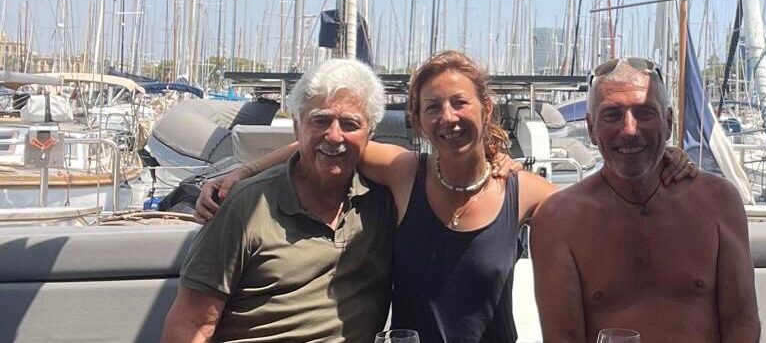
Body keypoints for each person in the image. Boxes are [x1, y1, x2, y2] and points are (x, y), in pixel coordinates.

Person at [195, 51, 697, 343]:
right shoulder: (403, 173)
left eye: (460, 102)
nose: (448, 117)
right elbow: (330, 139)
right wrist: (245, 169)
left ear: (485, 108)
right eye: (432, 107)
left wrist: (660, 159)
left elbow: (602, 201)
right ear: (416, 118)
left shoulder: (520, 190)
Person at [161, 58, 396, 342]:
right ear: (297, 127)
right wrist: (248, 172)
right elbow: (192, 323)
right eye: (320, 120)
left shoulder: (384, 202)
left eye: (350, 124)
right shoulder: (246, 206)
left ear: (370, 135)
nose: (334, 136)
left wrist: (248, 168)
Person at [531, 57, 760, 343]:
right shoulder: (558, 220)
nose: (629, 129)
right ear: (590, 128)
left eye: (644, 113)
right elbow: (562, 339)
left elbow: (742, 324)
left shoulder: (718, 202)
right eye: (612, 115)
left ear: (668, 122)